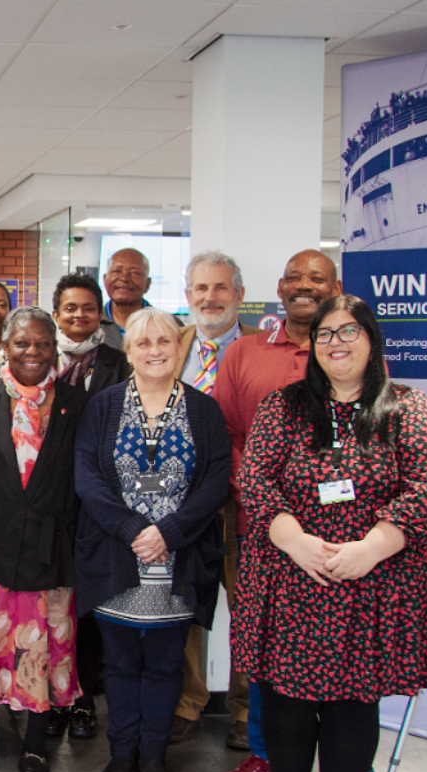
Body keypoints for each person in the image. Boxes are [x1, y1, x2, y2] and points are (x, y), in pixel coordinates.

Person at [234, 295, 427, 772]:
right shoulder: (284, 406)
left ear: (372, 339)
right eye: (326, 333)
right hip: (289, 577)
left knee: (352, 704)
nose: (337, 343)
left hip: (370, 584)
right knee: (285, 702)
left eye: (349, 332)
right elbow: (254, 480)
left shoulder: (408, 408)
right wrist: (296, 541)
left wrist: (371, 548)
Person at [74, 307, 230, 772]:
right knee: (119, 664)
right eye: (144, 343)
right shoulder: (104, 406)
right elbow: (87, 477)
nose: (156, 351)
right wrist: (131, 528)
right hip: (117, 557)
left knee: (166, 665)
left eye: (165, 341)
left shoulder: (204, 411)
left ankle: (156, 756)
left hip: (176, 560)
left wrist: (170, 532)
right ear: (130, 351)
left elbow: (215, 481)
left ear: (179, 347)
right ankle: (123, 753)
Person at [211, 249, 343, 772]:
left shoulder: (352, 351)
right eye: (293, 276)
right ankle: (265, 756)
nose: (303, 285)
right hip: (261, 529)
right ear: (279, 286)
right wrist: (268, 507)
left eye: (317, 277)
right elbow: (230, 439)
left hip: (341, 537)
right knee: (266, 647)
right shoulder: (243, 353)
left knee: (342, 653)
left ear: (334, 286)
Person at [0, 306, 84, 772]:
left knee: (41, 650)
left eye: (42, 343)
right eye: (22, 343)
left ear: (54, 350)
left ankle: (35, 745)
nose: (32, 352)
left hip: (51, 552)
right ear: (4, 347)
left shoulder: (76, 404)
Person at [170, 251, 261, 745]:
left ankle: (245, 711)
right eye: (200, 289)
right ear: (188, 297)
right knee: (185, 603)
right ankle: (188, 700)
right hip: (184, 503)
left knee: (247, 607)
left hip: (243, 503)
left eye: (220, 288)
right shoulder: (171, 344)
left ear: (239, 294)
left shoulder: (259, 350)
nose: (210, 298)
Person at [49, 272, 132, 741]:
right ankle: (52, 693)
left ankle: (82, 696)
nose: (79, 316)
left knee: (88, 603)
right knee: (53, 602)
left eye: (87, 308)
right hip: (50, 499)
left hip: (101, 499)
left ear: (99, 311)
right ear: (56, 312)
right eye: (69, 308)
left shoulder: (119, 363)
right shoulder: (40, 356)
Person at [99, 248, 153, 352]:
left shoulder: (170, 326)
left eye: (135, 273)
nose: (124, 278)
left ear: (147, 284)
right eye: (116, 271)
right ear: (105, 279)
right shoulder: (91, 325)